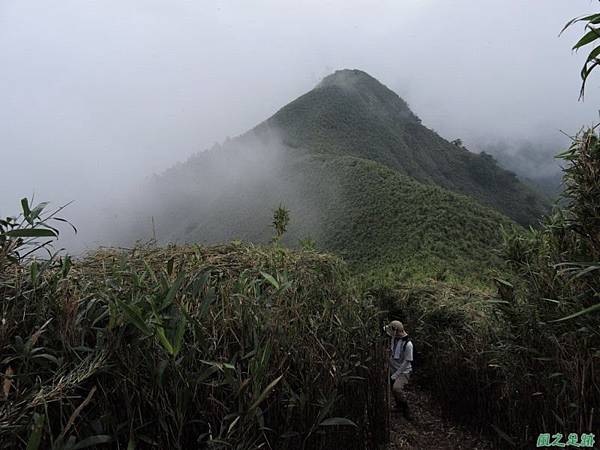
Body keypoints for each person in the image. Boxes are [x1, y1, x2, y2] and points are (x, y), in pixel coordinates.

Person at [384, 320, 413, 420]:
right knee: (393, 389)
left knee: (397, 388)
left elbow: (407, 362)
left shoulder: (408, 345)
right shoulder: (393, 340)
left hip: (403, 371)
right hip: (393, 369)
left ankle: (406, 409)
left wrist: (396, 374)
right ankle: (398, 405)